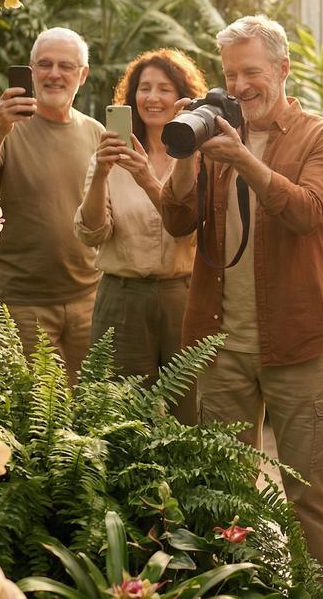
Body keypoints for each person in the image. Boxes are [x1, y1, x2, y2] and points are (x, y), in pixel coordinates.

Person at [159, 15, 323, 585]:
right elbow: (177, 220)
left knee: (306, 494)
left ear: (283, 70)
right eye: (231, 73)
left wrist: (245, 160)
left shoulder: (321, 137)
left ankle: (311, 593)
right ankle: (237, 588)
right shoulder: (214, 133)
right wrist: (188, 153)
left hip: (297, 344)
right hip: (222, 346)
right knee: (223, 491)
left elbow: (309, 214)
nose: (240, 85)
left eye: (253, 72)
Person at [0, 27, 103, 383]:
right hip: (23, 303)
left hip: (91, 299)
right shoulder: (3, 125)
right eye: (45, 64)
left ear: (82, 75)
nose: (55, 74)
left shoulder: (97, 133)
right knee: (32, 421)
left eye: (66, 66)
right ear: (31, 71)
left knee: (88, 420)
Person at [74, 49, 207, 422]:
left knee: (189, 412)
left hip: (184, 295)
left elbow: (193, 231)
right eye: (144, 88)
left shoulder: (199, 155)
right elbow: (92, 233)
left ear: (182, 98)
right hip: (122, 297)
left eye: (165, 89)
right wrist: (101, 173)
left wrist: (148, 178)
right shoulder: (112, 153)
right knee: (122, 416)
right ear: (131, 98)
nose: (153, 98)